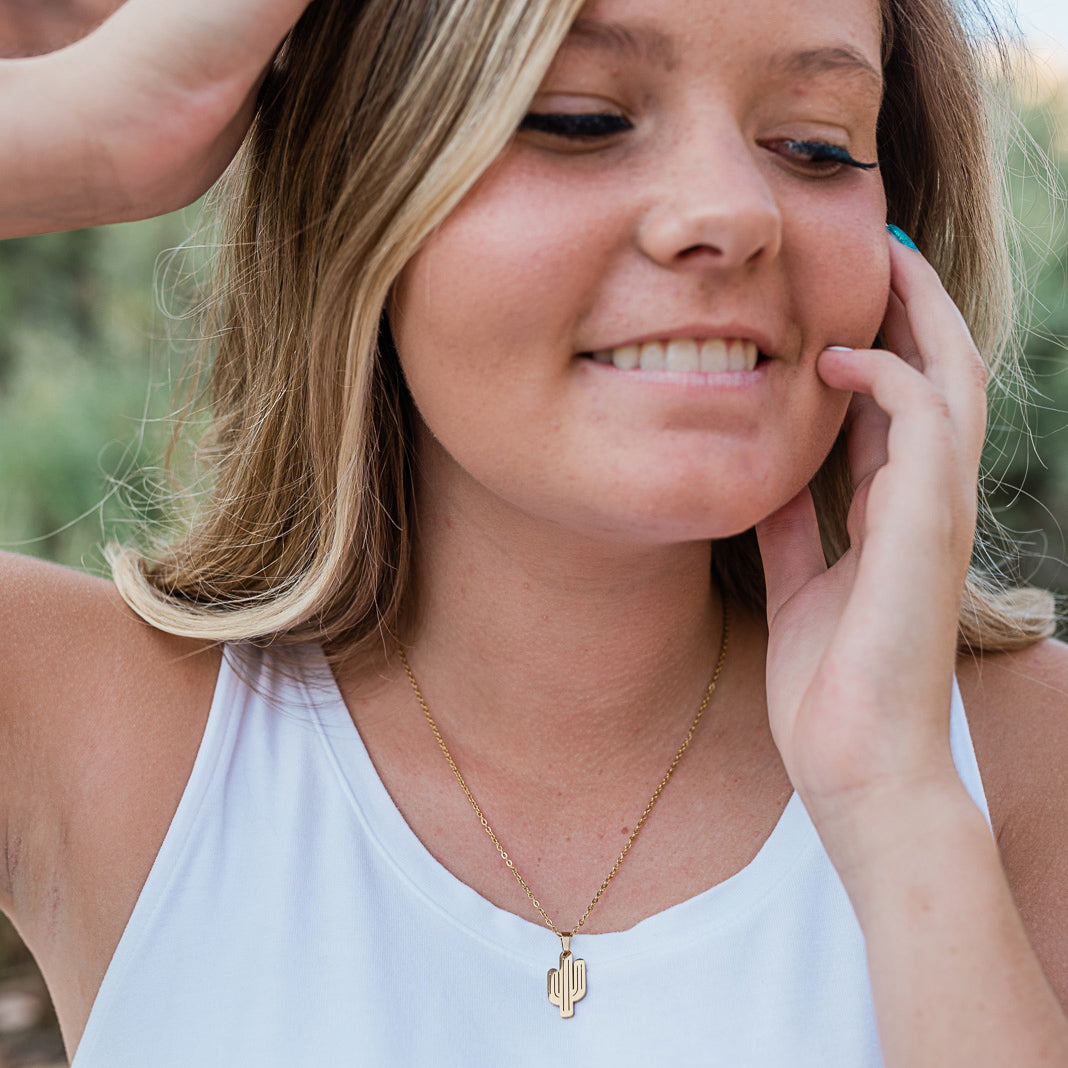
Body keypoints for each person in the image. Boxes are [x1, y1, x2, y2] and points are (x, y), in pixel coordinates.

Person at [1, 0, 1067, 1063]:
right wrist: (85, 139)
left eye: (815, 143)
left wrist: (901, 805)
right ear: (360, 186)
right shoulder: (83, 721)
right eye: (580, 120)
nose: (735, 212)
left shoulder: (1032, 759)